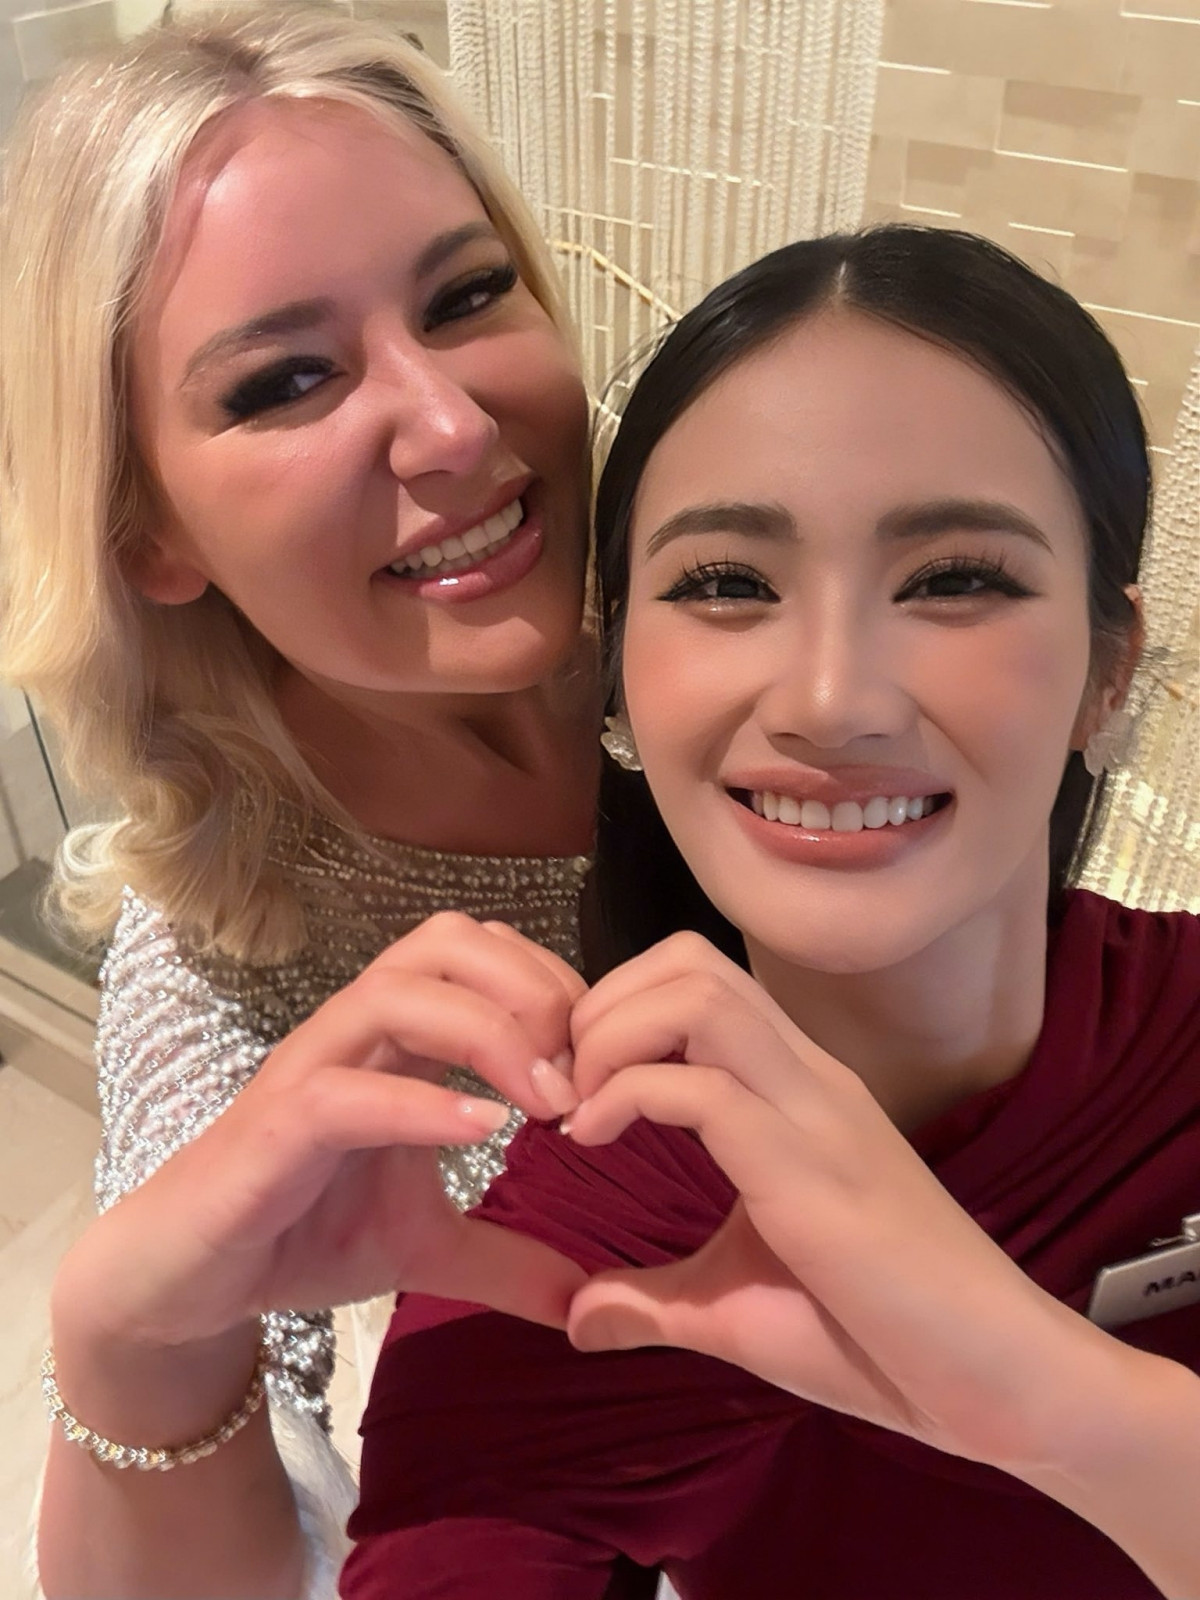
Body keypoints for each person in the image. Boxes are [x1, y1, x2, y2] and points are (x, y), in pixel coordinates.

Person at [342, 227, 1200, 1599]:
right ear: (620, 680)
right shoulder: (568, 1263)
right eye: (726, 584)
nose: (831, 702)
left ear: (1109, 667)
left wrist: (1058, 1403)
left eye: (956, 579)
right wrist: (136, 1354)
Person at [0, 6, 597, 1596]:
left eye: (467, 296)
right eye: (285, 382)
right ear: (147, 530)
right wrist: (122, 1340)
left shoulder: (727, 621)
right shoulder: (232, 958)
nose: (454, 427)